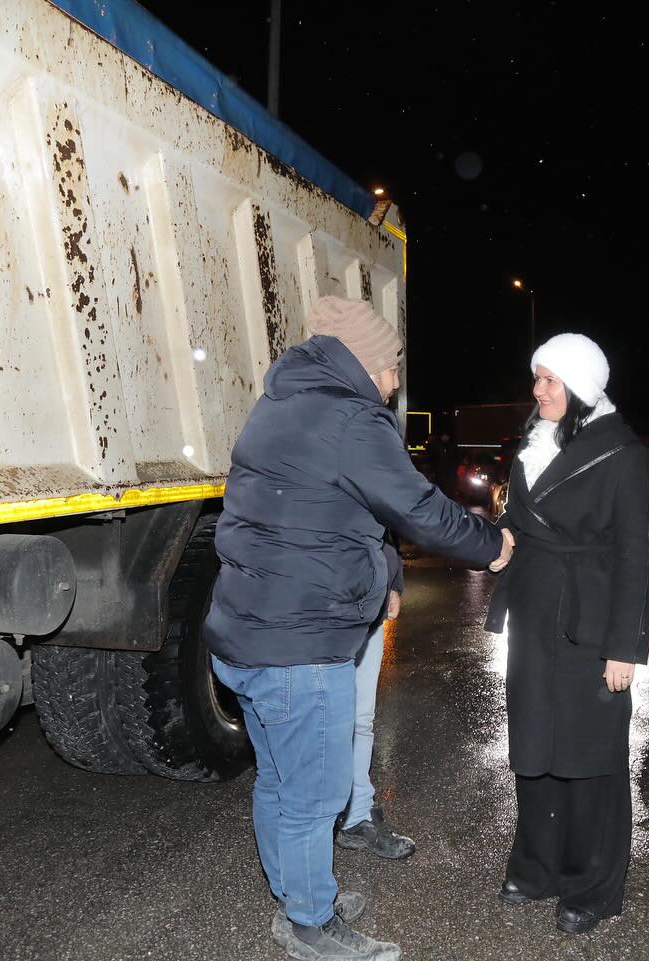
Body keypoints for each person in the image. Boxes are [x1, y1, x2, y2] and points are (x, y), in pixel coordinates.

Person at [205, 296, 512, 961]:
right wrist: (490, 544)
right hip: (301, 643)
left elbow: (325, 512)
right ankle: (311, 924)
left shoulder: (280, 404)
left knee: (279, 781)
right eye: (392, 364)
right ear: (366, 361)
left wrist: (384, 575)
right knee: (317, 794)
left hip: (245, 632)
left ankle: (297, 895)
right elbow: (418, 507)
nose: (397, 380)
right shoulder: (351, 417)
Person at [484, 332, 649, 935]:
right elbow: (515, 523)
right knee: (535, 747)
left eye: (551, 379)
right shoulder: (532, 447)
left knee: (589, 756)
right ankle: (536, 867)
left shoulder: (624, 455)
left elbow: (638, 558)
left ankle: (593, 883)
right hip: (534, 619)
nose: (538, 390)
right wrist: (494, 547)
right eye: (536, 377)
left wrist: (625, 647)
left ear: (582, 385)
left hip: (589, 622)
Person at [334, 538, 415, 860]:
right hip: (326, 610)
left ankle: (356, 812)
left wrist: (392, 582)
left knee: (360, 720)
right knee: (322, 721)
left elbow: (384, 527)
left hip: (367, 605)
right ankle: (333, 815)